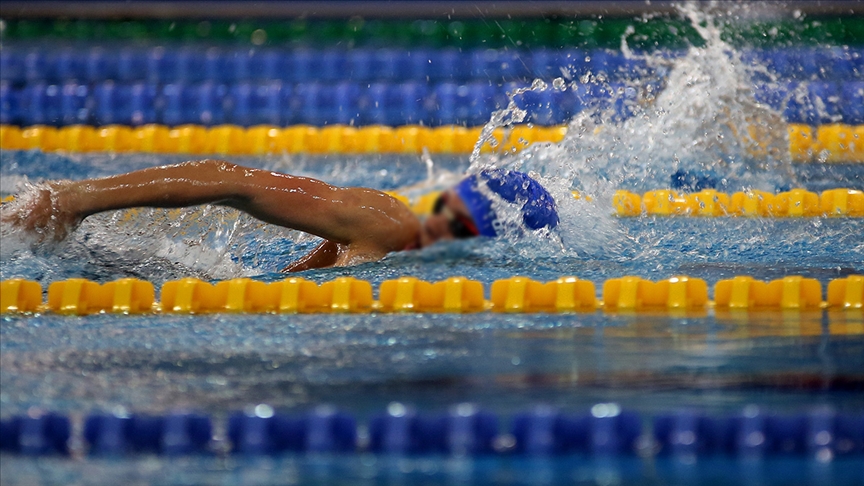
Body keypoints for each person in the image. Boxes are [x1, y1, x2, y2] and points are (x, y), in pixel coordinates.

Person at [1, 159, 559, 272]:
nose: (438, 226)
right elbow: (232, 180)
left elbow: (300, 281)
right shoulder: (388, 222)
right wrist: (75, 200)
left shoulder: (409, 251)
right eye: (446, 211)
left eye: (458, 225)